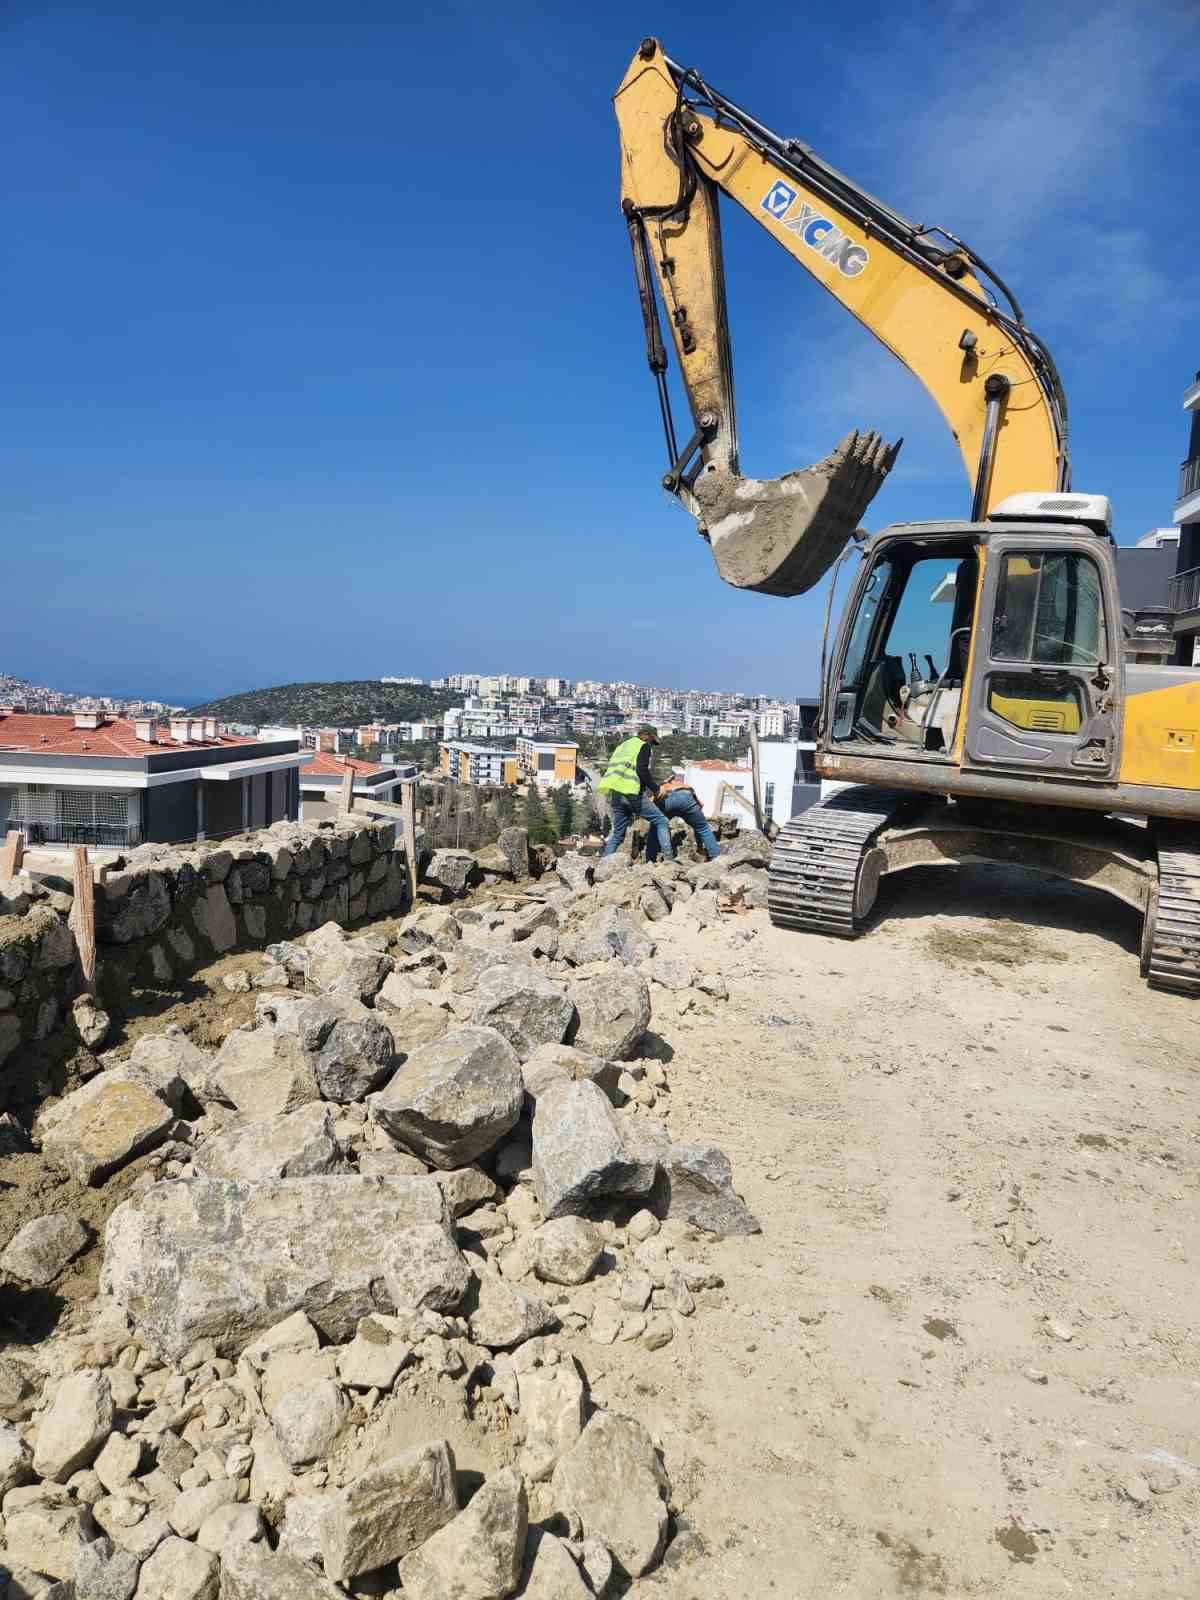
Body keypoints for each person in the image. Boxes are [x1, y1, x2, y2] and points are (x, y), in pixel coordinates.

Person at [598, 725, 674, 861]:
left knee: (617, 834)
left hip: (616, 792)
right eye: (652, 741)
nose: (652, 745)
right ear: (647, 736)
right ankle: (669, 861)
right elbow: (641, 770)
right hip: (632, 793)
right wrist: (656, 789)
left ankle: (603, 865)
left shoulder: (623, 746)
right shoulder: (643, 746)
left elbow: (627, 769)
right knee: (662, 821)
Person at [645, 775, 722, 863]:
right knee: (703, 829)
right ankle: (716, 858)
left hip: (666, 798)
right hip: (687, 798)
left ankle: (651, 860)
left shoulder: (662, 786)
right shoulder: (685, 786)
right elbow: (700, 804)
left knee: (655, 830)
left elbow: (652, 802)